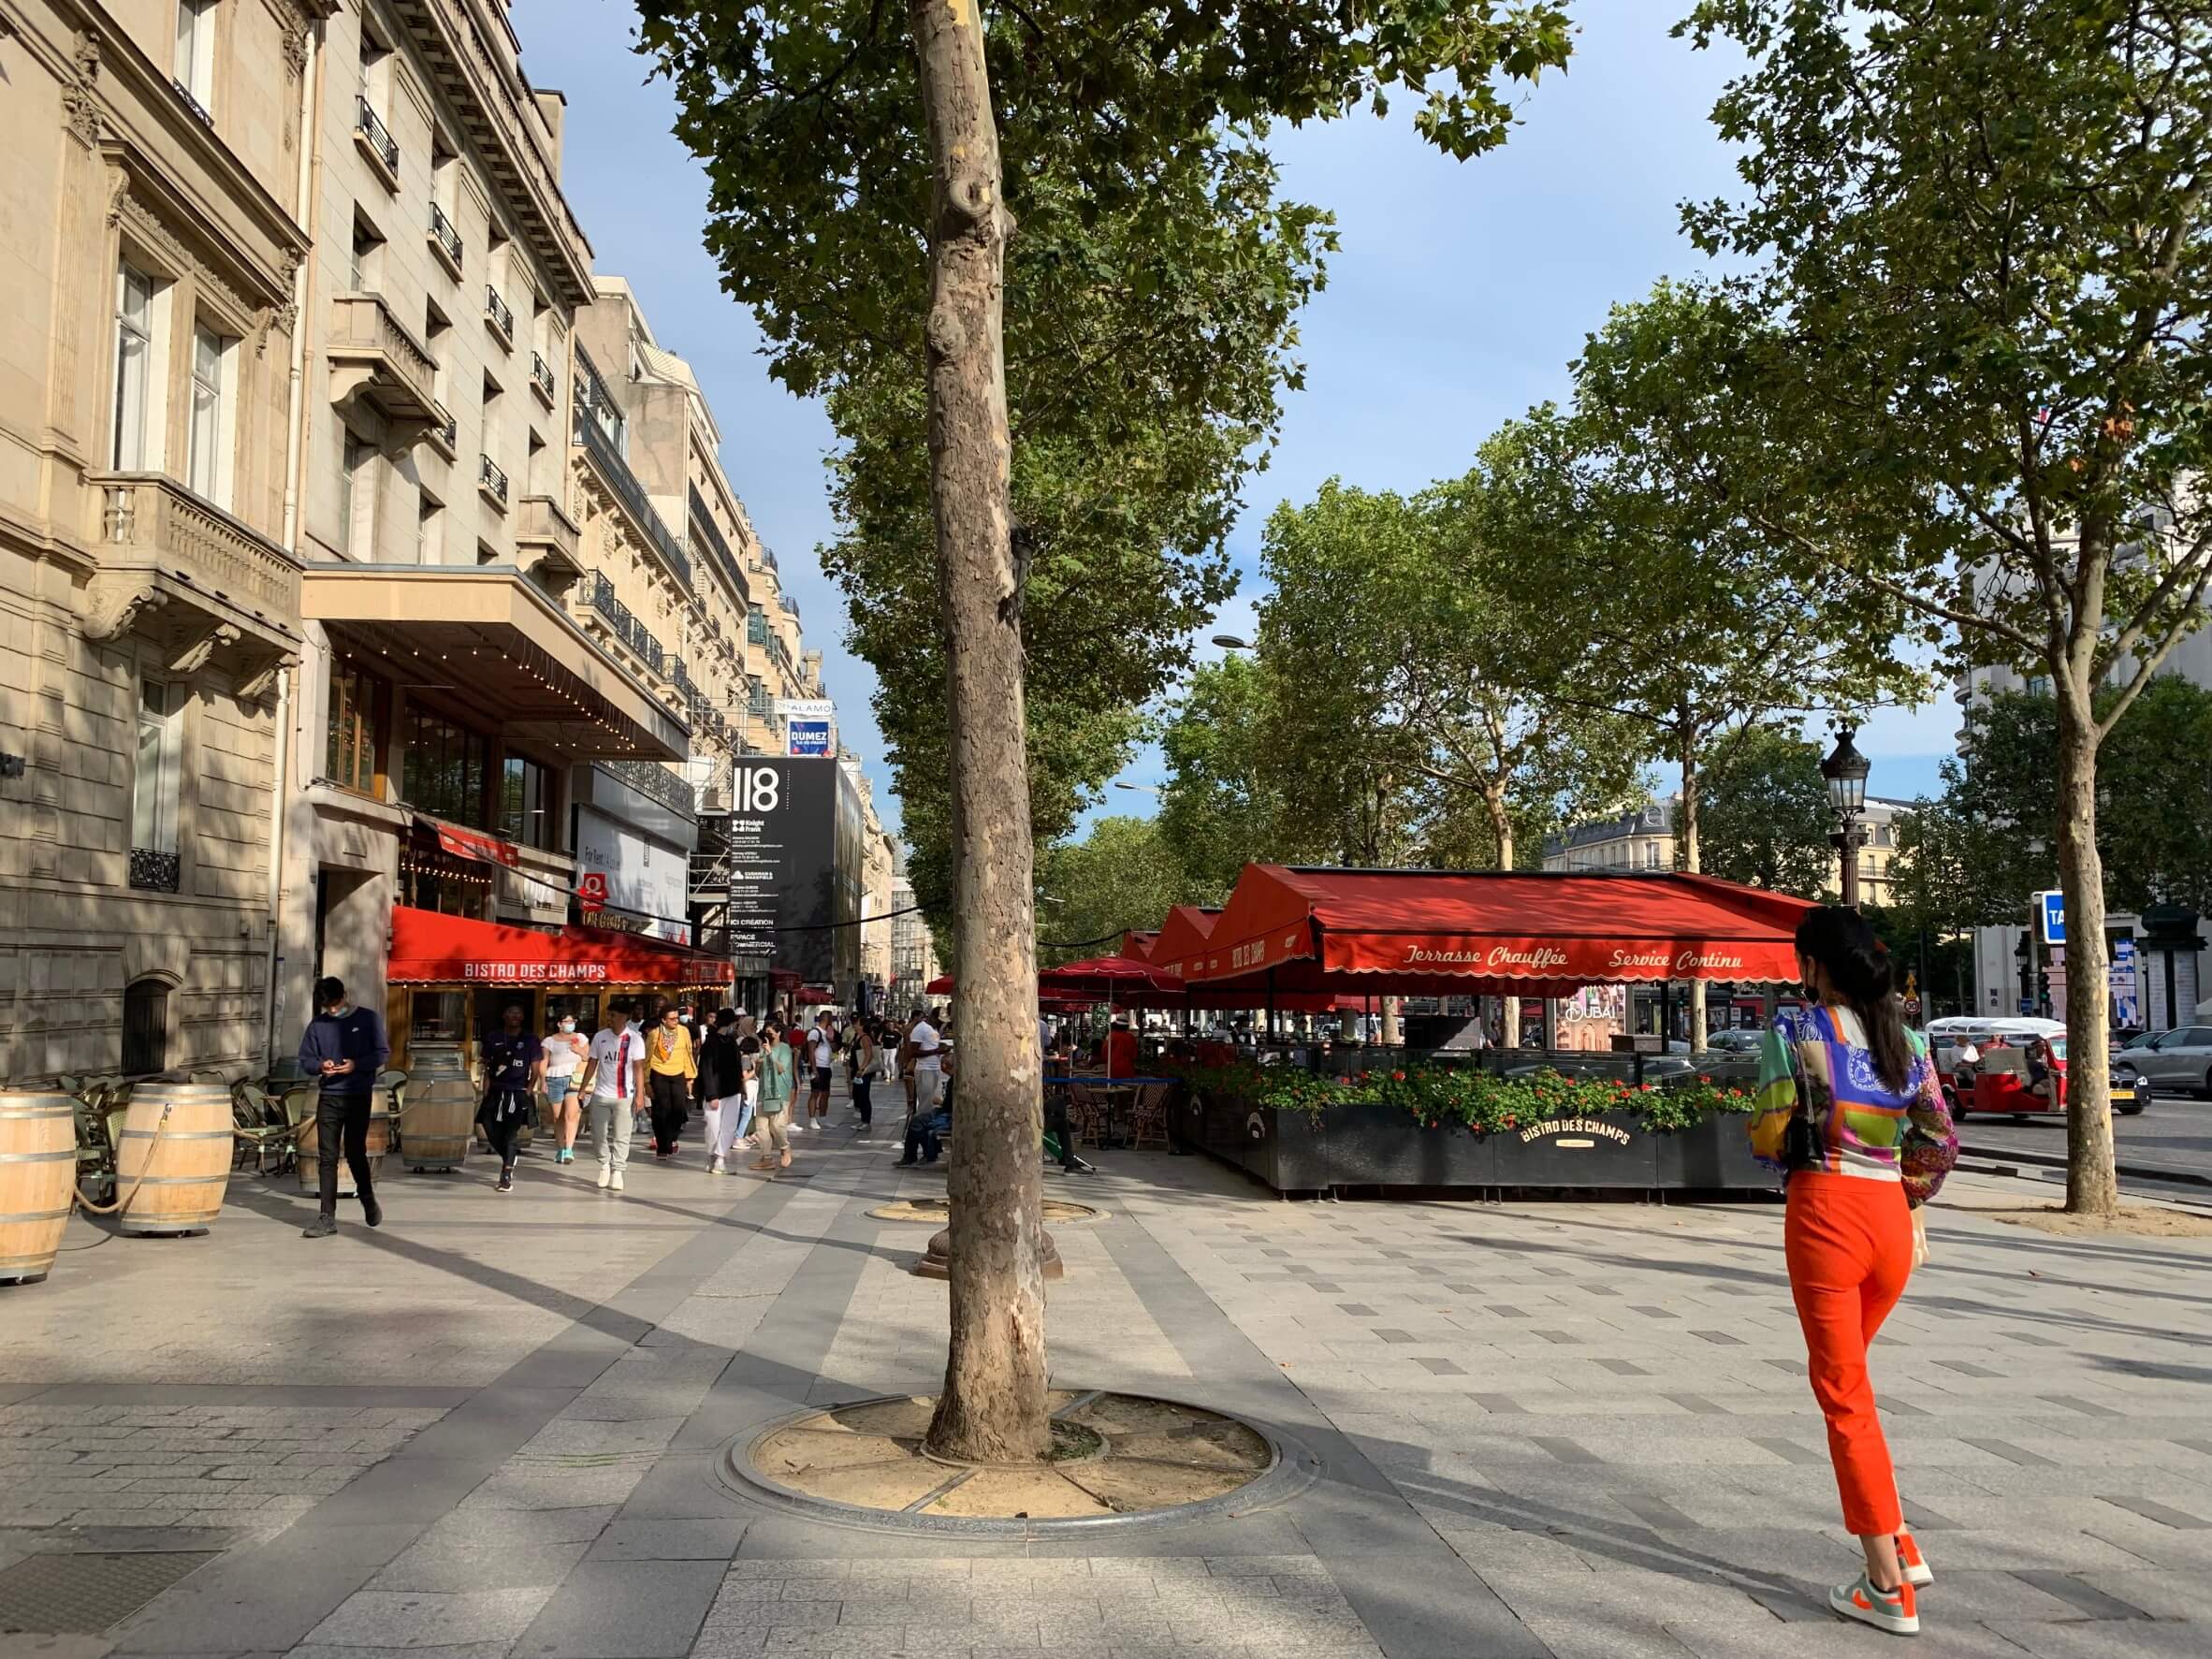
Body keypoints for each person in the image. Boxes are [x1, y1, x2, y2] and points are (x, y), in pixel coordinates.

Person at [1752, 907, 1957, 1637]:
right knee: (1854, 1388)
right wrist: (1908, 1196)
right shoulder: (1907, 1039)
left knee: (1842, 1397)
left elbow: (1772, 1133)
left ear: (1812, 965)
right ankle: (1900, 1539)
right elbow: (1938, 1136)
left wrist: (1783, 1139)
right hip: (1890, 1224)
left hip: (1827, 1215)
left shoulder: (1795, 1031)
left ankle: (1886, 1581)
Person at [296, 976, 389, 1238]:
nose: (333, 1011)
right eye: (328, 1008)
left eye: (335, 1004)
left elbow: (382, 1053)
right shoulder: (318, 1025)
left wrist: (356, 1065)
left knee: (356, 1152)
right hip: (330, 1095)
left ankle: (368, 1200)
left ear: (344, 995)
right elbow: (306, 1058)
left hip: (358, 1094)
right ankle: (326, 1217)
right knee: (327, 1156)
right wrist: (320, 1065)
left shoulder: (368, 1019)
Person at [477, 1002, 543, 1194]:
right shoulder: (493, 1037)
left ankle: (506, 1174)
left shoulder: (530, 1039)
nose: (514, 1016)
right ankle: (509, 1156)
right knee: (488, 1126)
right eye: (511, 1012)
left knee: (511, 1133)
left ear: (522, 1017)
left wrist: (530, 1088)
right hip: (496, 1090)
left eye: (518, 1013)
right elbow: (487, 1067)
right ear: (504, 1015)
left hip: (518, 1091)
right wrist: (485, 1090)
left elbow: (536, 1067)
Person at [579, 998, 643, 1191]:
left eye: (613, 1015)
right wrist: (583, 1088)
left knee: (622, 1136)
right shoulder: (600, 1037)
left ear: (624, 1017)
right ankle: (605, 1164)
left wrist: (640, 1094)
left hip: (625, 1095)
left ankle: (618, 1171)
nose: (610, 1019)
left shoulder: (635, 1039)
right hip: (601, 1093)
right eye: (609, 1015)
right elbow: (592, 1063)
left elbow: (639, 1068)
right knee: (598, 1134)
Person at [694, 1008, 749, 1175]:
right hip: (715, 1094)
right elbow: (706, 1069)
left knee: (729, 1127)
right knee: (713, 1127)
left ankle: (720, 1157)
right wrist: (711, 1094)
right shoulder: (710, 1043)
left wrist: (742, 1088)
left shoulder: (732, 1042)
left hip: (733, 1091)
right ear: (730, 1023)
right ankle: (712, 1154)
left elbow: (737, 1067)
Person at [646, 1002, 695, 1158]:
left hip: (679, 1073)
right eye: (672, 1019)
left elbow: (688, 1053)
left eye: (677, 1018)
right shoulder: (654, 1034)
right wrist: (646, 1082)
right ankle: (662, 1146)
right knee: (661, 1110)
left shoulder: (684, 1031)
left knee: (679, 1109)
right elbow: (646, 1058)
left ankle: (671, 1137)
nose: (676, 1021)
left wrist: (690, 1077)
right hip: (659, 1073)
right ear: (663, 1020)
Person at [541, 1010, 590, 1165]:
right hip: (554, 1078)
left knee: (571, 1114)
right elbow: (544, 1062)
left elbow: (588, 1058)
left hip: (575, 1079)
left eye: (572, 1021)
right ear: (559, 1024)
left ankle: (569, 1149)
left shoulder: (581, 1038)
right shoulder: (549, 1041)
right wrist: (542, 1081)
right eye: (567, 1021)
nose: (570, 1024)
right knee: (558, 1117)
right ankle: (561, 1148)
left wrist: (579, 1050)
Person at [751, 1017, 796, 1171]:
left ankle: (785, 1148)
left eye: (770, 1032)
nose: (767, 1035)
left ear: (778, 1033)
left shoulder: (784, 1049)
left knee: (777, 1125)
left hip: (779, 1092)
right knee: (761, 1127)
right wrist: (758, 1065)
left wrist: (770, 1054)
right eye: (766, 1032)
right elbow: (758, 1074)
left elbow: (781, 1068)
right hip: (764, 1092)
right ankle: (766, 1158)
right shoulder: (764, 1048)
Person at [850, 1019, 877, 1128]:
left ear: (862, 1026)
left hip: (863, 1072)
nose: (854, 1025)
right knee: (858, 1095)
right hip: (857, 1071)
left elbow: (868, 1054)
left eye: (856, 1023)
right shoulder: (857, 1037)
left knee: (864, 1096)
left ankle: (866, 1122)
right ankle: (863, 1120)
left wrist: (862, 1069)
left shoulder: (865, 1038)